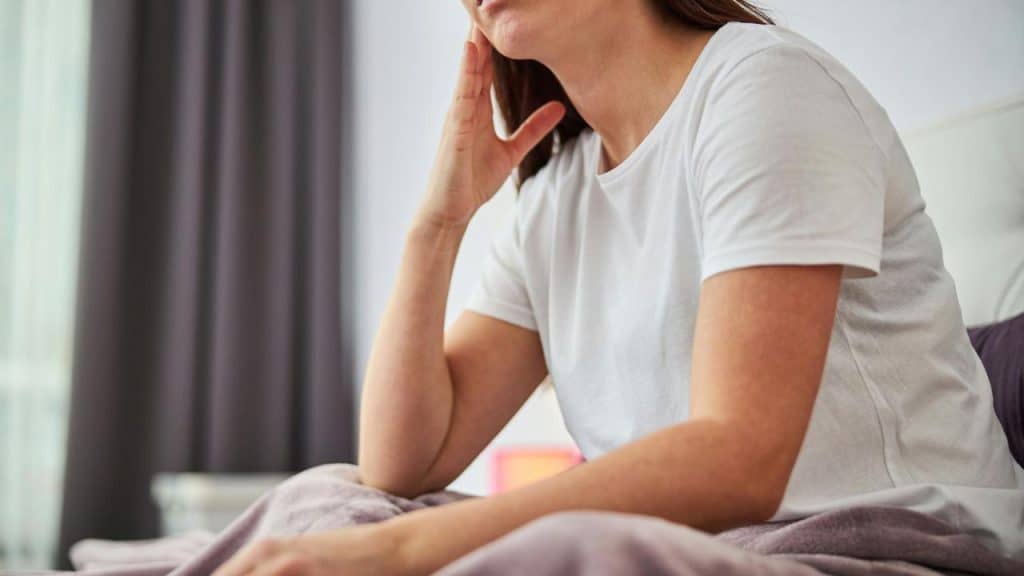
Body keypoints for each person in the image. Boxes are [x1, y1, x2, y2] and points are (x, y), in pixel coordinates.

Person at [214, 0, 1024, 573]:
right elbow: (399, 464)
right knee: (329, 497)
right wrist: (437, 225)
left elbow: (739, 460)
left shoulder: (767, 90)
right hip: (705, 548)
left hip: (883, 540)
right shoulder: (557, 192)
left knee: (549, 549)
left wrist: (397, 553)